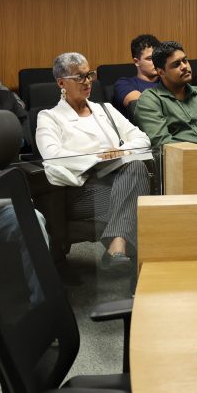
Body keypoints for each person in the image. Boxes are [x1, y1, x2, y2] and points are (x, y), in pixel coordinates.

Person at [36, 53, 153, 271]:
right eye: (79, 77)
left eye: (89, 75)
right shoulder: (49, 117)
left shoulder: (105, 110)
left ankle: (116, 248)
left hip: (119, 180)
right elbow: (52, 155)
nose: (87, 81)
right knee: (139, 196)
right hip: (80, 190)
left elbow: (142, 139)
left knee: (135, 167)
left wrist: (117, 152)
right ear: (62, 83)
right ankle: (126, 255)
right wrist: (98, 157)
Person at [134, 41, 197, 147]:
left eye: (185, 60)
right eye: (176, 64)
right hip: (184, 160)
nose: (184, 66)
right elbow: (163, 143)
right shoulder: (150, 100)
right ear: (161, 72)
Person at [112, 33, 161, 119]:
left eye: (158, 57)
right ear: (136, 62)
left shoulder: (169, 81)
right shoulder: (124, 84)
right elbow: (142, 107)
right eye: (149, 59)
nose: (156, 62)